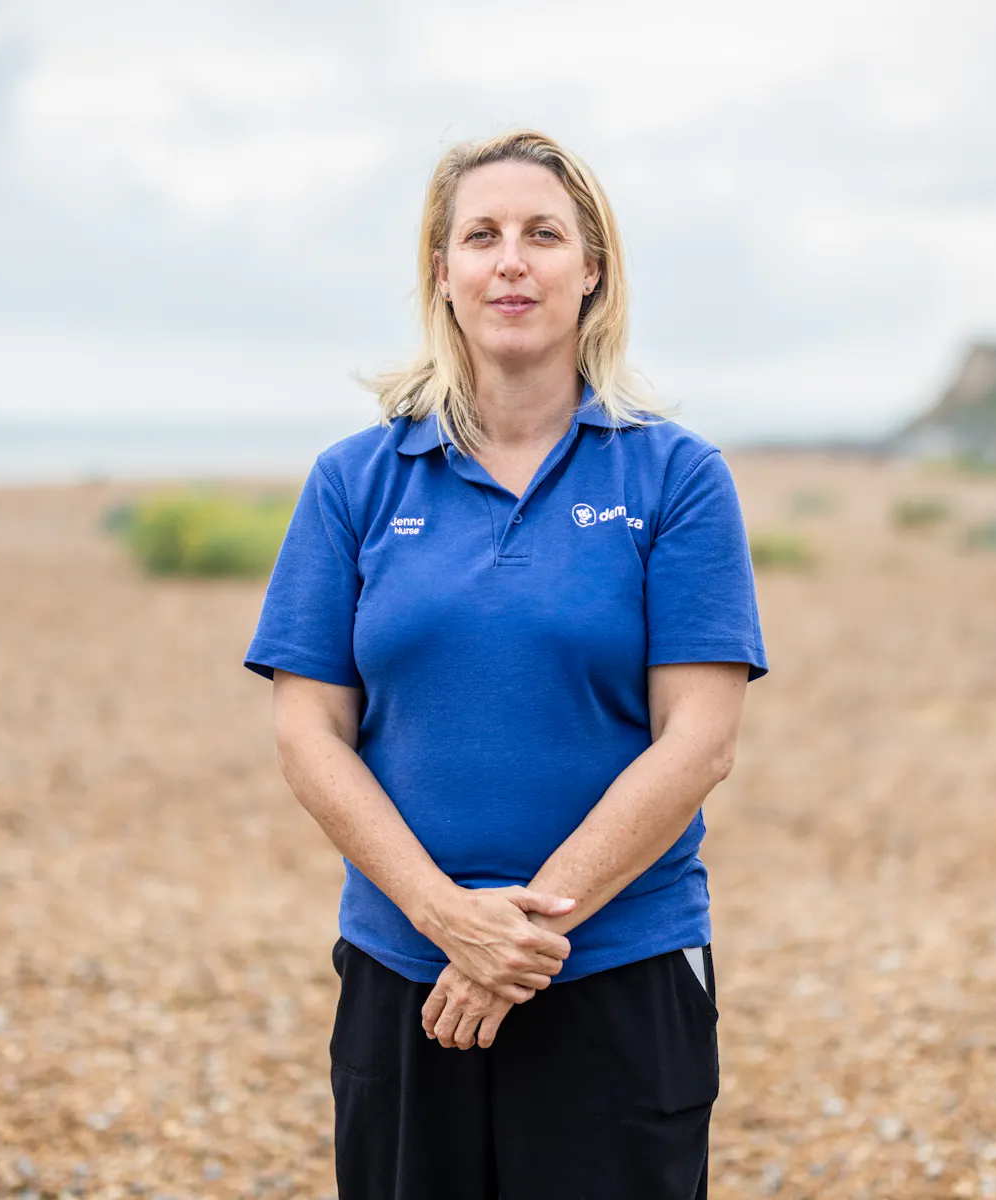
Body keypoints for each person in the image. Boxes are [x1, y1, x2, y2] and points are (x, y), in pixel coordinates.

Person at [243, 128, 768, 1200]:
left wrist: (519, 937)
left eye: (543, 234)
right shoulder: (354, 481)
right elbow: (309, 734)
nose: (511, 260)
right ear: (442, 272)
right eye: (480, 236)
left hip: (619, 970)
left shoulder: (677, 475)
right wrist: (447, 919)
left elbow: (700, 741)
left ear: (594, 270)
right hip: (409, 974)